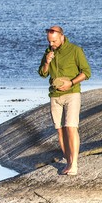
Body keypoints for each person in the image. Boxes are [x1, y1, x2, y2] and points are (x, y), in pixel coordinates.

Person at [38, 25, 91, 175]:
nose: (51, 44)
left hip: (72, 93)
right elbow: (42, 74)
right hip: (55, 96)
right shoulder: (49, 52)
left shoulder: (75, 50)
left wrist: (71, 82)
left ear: (61, 37)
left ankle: (74, 164)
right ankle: (68, 162)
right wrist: (47, 62)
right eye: (49, 41)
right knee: (60, 131)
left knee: (71, 127)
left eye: (53, 41)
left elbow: (87, 73)